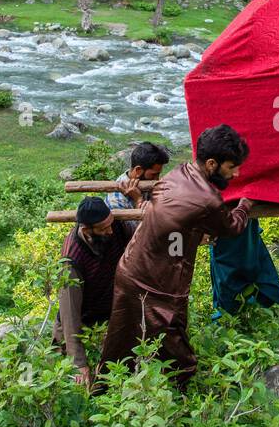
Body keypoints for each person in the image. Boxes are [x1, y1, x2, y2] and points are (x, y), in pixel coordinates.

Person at [96, 125, 254, 390]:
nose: (236, 173)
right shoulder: (208, 199)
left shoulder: (177, 174)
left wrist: (193, 230)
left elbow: (159, 209)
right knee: (177, 349)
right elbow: (232, 227)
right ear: (212, 164)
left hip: (131, 268)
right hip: (160, 284)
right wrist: (246, 205)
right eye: (231, 167)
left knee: (120, 341)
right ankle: (182, 402)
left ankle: (105, 390)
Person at [55, 196, 132, 386]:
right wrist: (78, 362)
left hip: (108, 319)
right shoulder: (71, 261)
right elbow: (69, 314)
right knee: (82, 385)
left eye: (110, 225)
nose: (110, 231)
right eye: (103, 229)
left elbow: (145, 237)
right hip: (83, 326)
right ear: (86, 231)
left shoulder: (116, 229)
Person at [105, 141, 170, 236]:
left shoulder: (146, 184)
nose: (157, 179)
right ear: (138, 170)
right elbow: (138, 236)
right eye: (154, 174)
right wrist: (139, 201)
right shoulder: (117, 200)